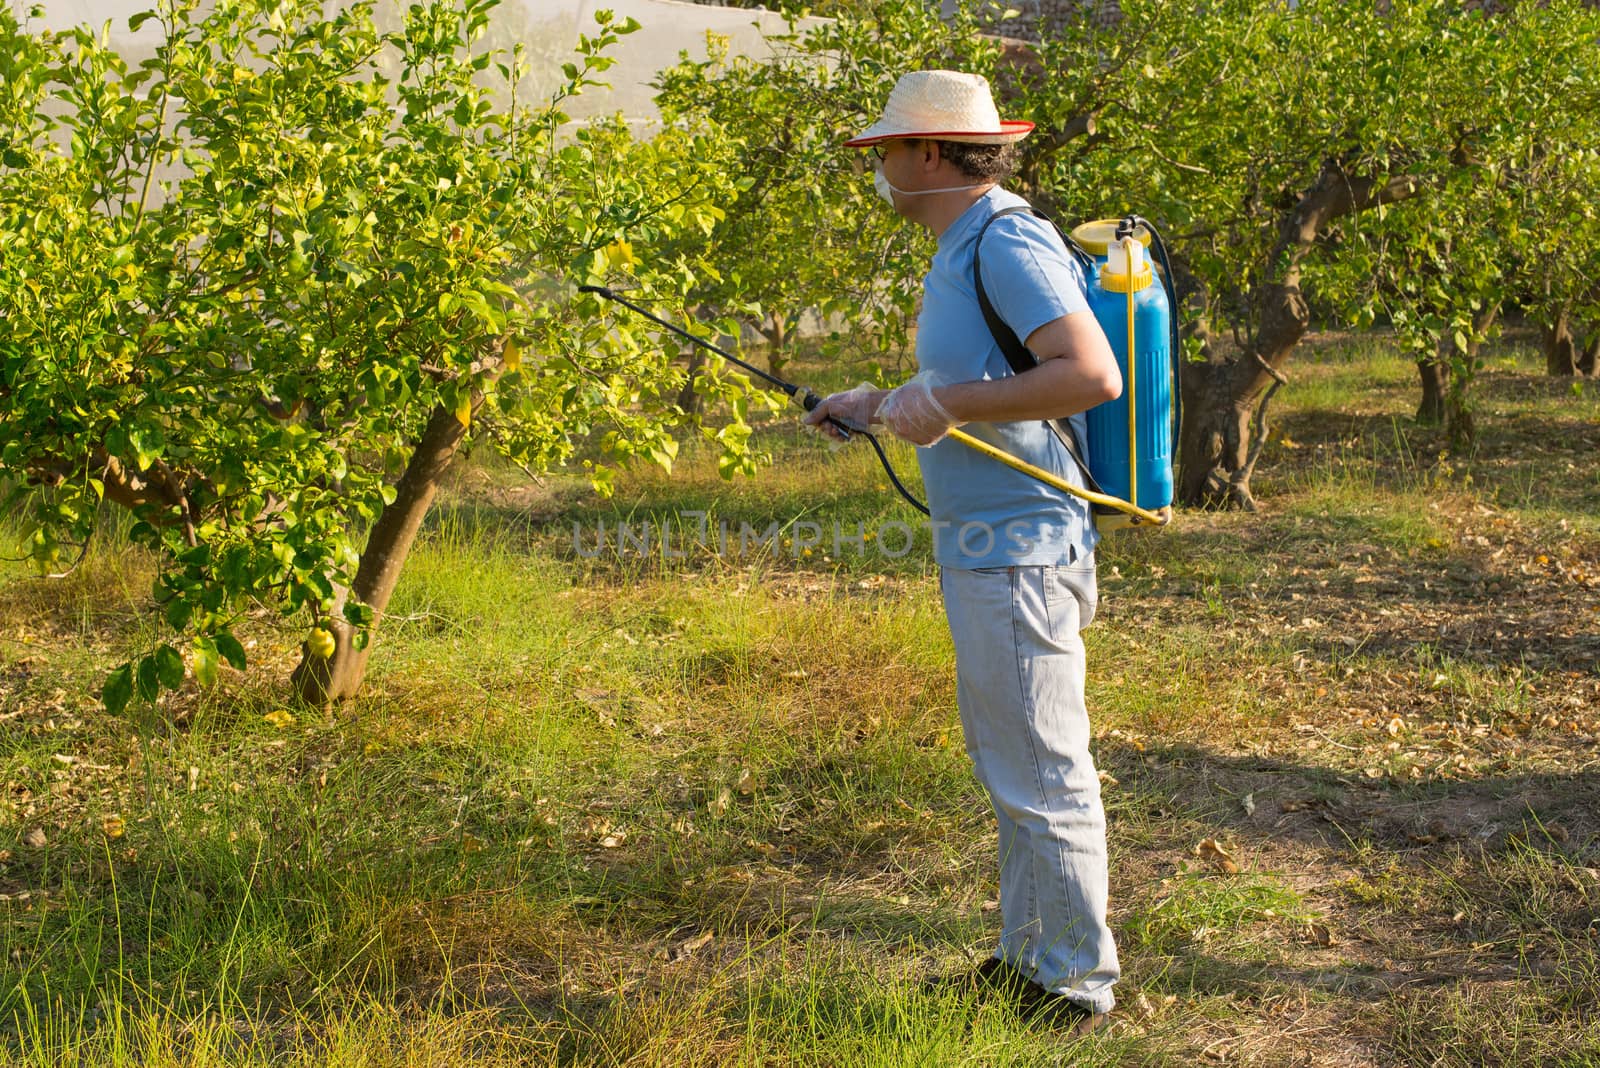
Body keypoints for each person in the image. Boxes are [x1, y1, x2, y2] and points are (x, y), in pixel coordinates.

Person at [802, 70, 1122, 1032]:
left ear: (930, 153)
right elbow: (980, 377)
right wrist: (884, 402)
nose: (882, 169)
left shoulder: (1007, 239)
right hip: (992, 544)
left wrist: (944, 405)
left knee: (1044, 768)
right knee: (1013, 761)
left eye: (887, 152)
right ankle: (1028, 960)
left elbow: (1089, 374)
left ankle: (1071, 987)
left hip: (1021, 548)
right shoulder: (962, 245)